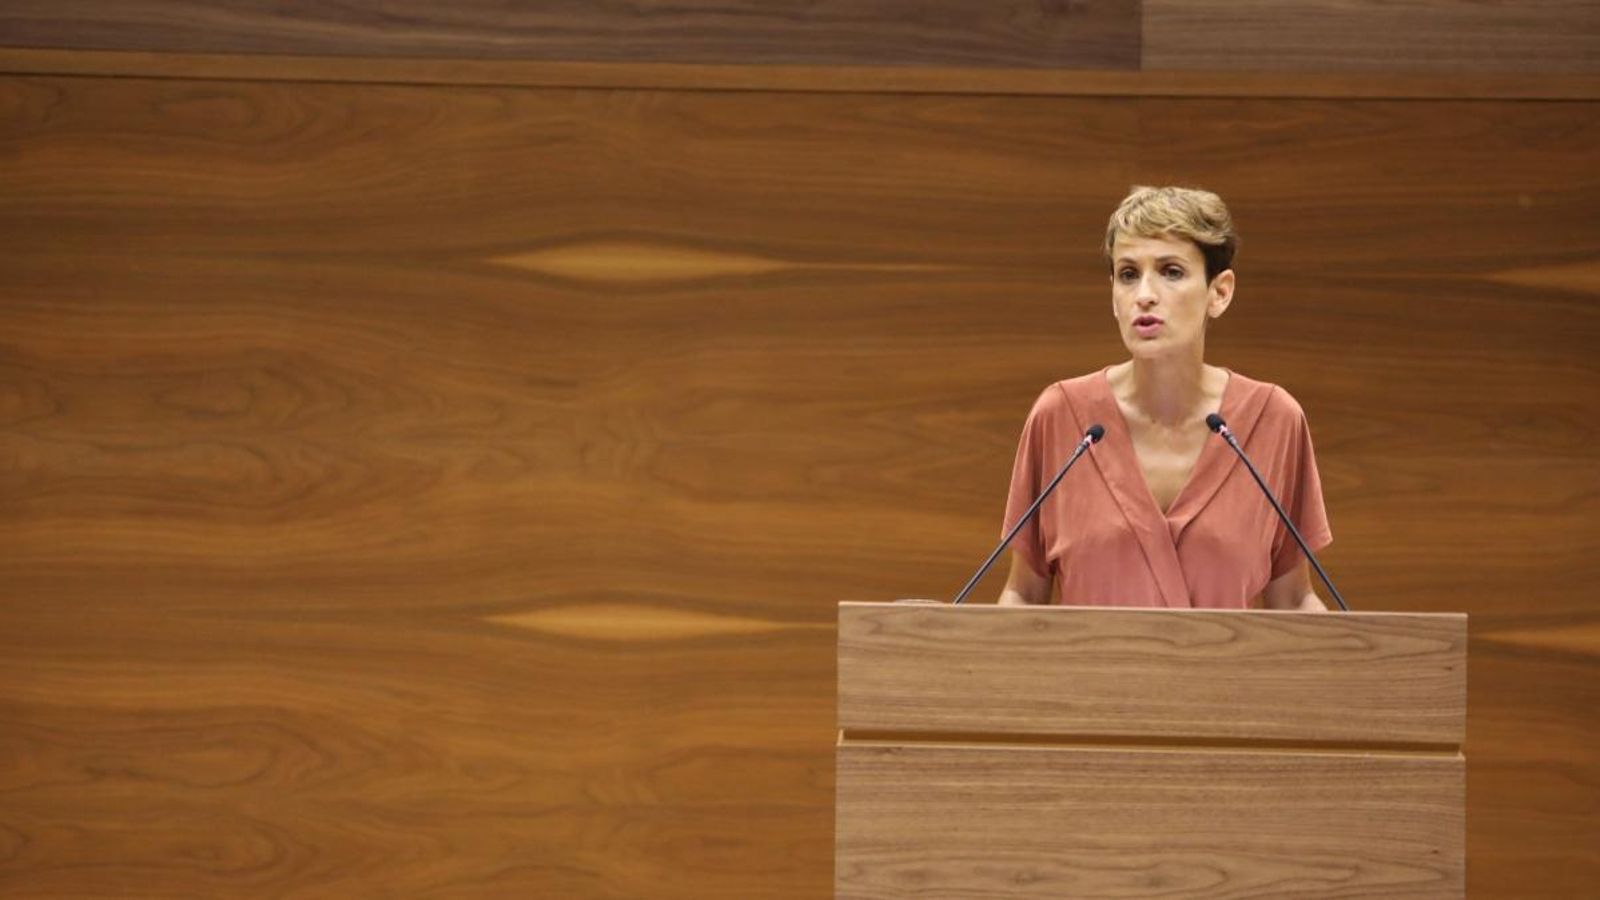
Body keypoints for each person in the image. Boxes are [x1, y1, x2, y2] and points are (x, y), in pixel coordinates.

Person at [998, 185, 1330, 610]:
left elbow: (1294, 599)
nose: (1144, 295)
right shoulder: (1062, 416)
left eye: (1171, 271)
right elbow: (1024, 594)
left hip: (1225, 677)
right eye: (1128, 274)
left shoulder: (1274, 420)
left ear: (1220, 292)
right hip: (1092, 677)